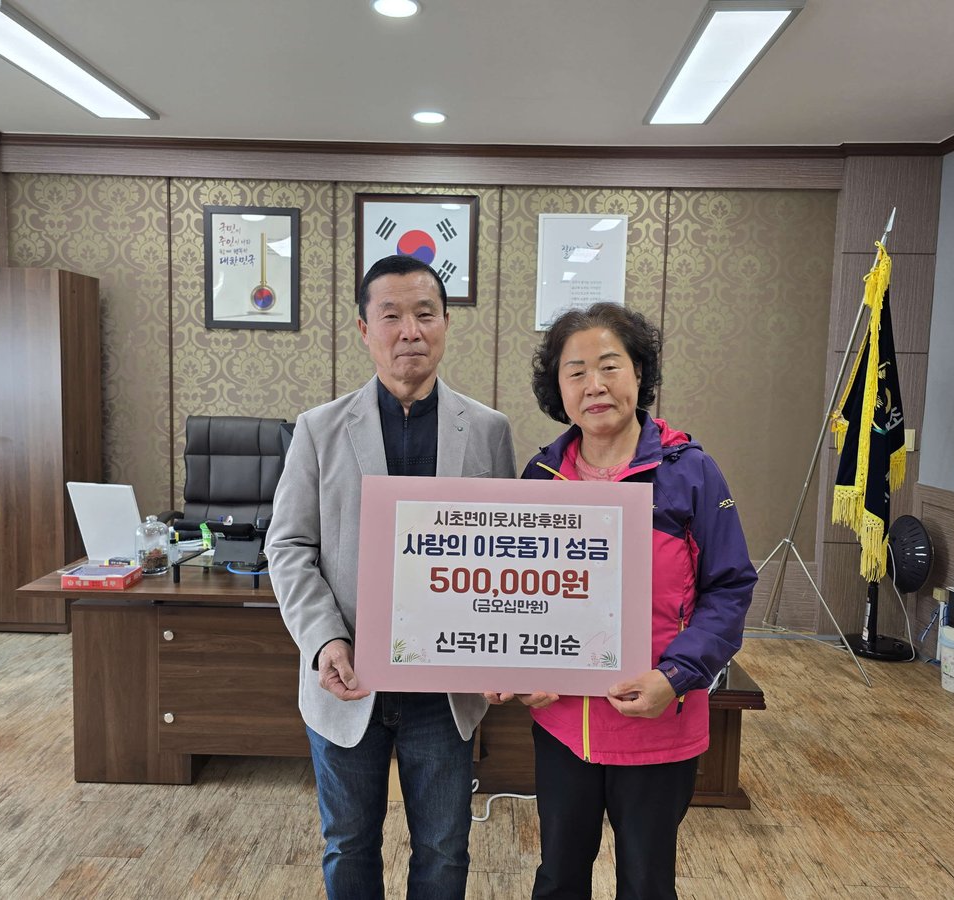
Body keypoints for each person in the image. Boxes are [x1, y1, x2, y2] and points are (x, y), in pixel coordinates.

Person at [265, 253, 516, 900]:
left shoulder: (489, 431)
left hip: (445, 688)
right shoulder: (319, 429)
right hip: (350, 679)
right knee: (348, 843)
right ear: (364, 329)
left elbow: (504, 556)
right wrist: (325, 639)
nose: (411, 331)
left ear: (446, 323)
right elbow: (288, 545)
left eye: (425, 314)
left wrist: (502, 651)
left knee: (444, 847)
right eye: (392, 316)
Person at [488, 302, 756, 900]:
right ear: (558, 389)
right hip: (563, 723)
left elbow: (730, 587)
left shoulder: (691, 473)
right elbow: (517, 593)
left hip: (656, 716)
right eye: (576, 372)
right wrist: (519, 667)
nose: (595, 385)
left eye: (610, 366)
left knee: (646, 882)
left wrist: (676, 676)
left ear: (639, 372)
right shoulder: (541, 477)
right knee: (558, 877)